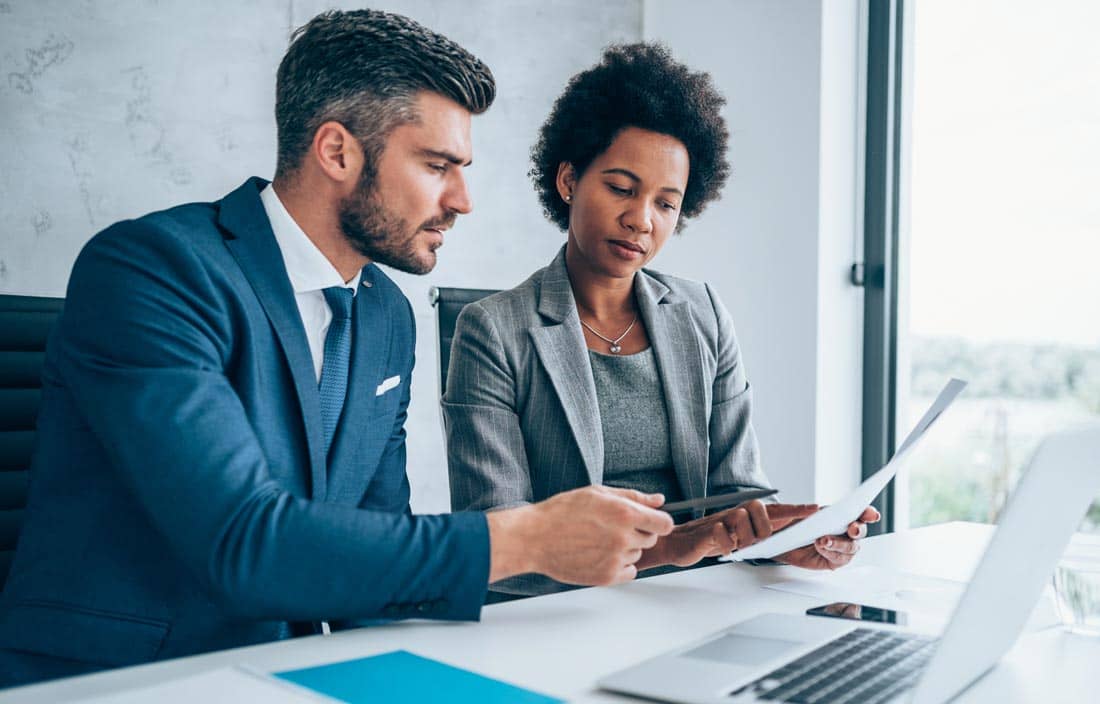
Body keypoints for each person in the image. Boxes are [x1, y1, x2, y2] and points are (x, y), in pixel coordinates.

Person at [0, 11, 676, 687]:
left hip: (287, 673)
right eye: (437, 165)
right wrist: (528, 538)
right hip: (115, 680)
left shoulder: (386, 315)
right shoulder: (151, 271)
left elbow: (374, 558)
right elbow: (242, 542)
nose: (463, 200)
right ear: (337, 151)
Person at [445, 44, 878, 597]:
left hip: (693, 601)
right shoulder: (494, 330)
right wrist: (677, 546)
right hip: (560, 616)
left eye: (666, 204)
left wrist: (785, 537)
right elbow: (494, 540)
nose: (640, 220)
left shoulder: (703, 315)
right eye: (622, 189)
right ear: (568, 180)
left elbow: (739, 494)